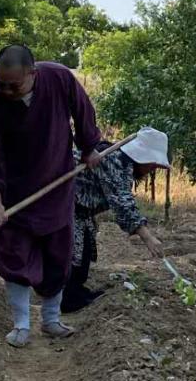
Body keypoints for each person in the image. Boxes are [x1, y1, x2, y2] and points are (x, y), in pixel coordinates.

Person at [0, 44, 102, 348]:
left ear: (33, 73)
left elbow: (82, 109)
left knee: (57, 255)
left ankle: (51, 319)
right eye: (1, 83)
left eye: (14, 85)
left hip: (57, 182)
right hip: (14, 191)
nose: (6, 90)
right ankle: (21, 324)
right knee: (15, 254)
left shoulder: (59, 78)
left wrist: (89, 147)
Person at [63, 128, 168, 313]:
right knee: (75, 251)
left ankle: (76, 291)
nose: (152, 170)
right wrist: (148, 237)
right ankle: (68, 298)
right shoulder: (114, 161)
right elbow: (122, 203)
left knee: (85, 248)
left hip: (79, 209)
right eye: (152, 165)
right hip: (65, 203)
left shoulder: (122, 164)